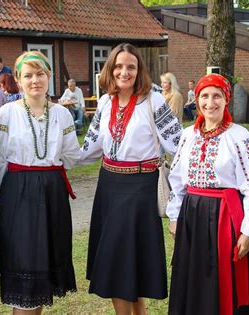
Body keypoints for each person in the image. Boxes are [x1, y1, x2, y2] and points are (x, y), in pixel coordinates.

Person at [81, 43, 182, 314]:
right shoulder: (104, 101)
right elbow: (90, 146)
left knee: (127, 265)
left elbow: (178, 145)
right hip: (109, 186)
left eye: (131, 67)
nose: (124, 72)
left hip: (141, 188)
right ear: (110, 69)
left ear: (139, 71)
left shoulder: (154, 100)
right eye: (119, 66)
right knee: (121, 267)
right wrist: (55, 157)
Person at [166, 73, 249, 315]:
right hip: (192, 216)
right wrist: (174, 216)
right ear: (197, 99)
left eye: (217, 96)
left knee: (225, 278)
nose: (210, 103)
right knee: (194, 276)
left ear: (226, 100)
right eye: (204, 96)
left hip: (226, 217)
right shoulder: (188, 135)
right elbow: (177, 179)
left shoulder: (238, 136)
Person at [0, 50, 80, 314]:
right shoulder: (7, 113)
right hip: (18, 191)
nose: (35, 81)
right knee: (26, 260)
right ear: (18, 80)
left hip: (52, 190)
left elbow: (72, 154)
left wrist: (50, 169)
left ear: (49, 76)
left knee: (45, 263)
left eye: (40, 74)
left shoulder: (62, 115)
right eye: (28, 75)